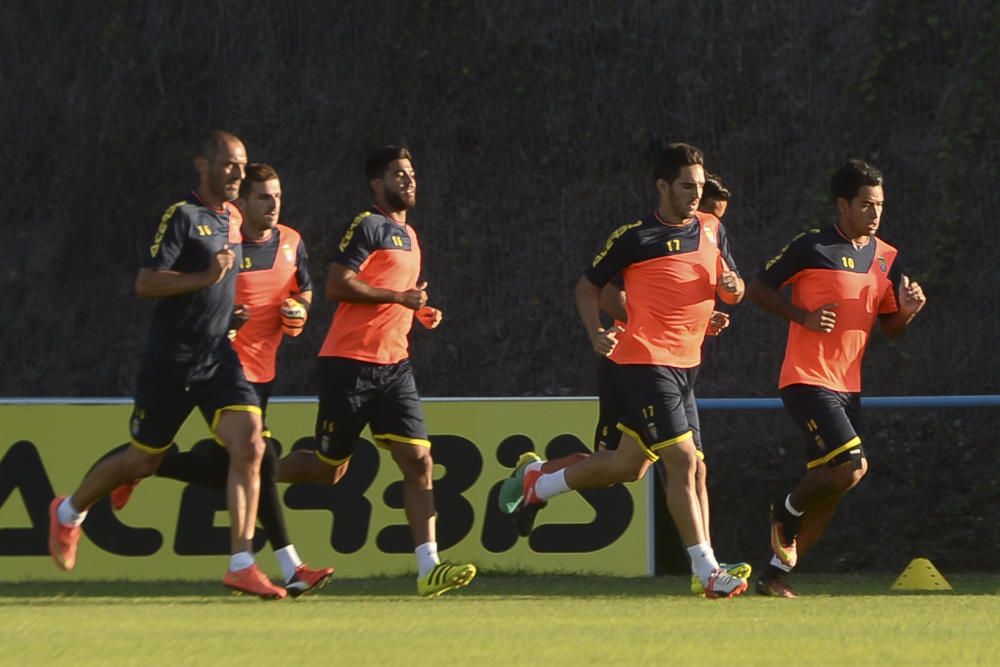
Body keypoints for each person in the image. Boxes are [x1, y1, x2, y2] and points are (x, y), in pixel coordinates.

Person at [47, 131, 285, 598]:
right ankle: (67, 512)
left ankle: (241, 562)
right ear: (204, 165)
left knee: (251, 445)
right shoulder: (182, 216)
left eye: (243, 164)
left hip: (218, 356)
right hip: (172, 361)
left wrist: (228, 308)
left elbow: (220, 283)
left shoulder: (233, 219)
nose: (238, 172)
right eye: (229, 164)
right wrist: (204, 278)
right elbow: (146, 283)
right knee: (144, 457)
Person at [509, 143, 749, 599]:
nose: (695, 194)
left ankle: (539, 484)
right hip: (645, 362)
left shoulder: (712, 228)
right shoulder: (634, 237)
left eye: (699, 186)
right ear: (662, 186)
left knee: (629, 467)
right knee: (682, 462)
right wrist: (595, 333)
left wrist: (732, 293)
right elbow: (589, 288)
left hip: (687, 365)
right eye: (686, 186)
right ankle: (708, 571)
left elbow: (730, 286)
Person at [110, 163, 334, 598]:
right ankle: (289, 566)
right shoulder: (221, 245)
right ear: (241, 203)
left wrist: (300, 311)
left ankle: (143, 467)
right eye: (263, 198)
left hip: (263, 372)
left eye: (278, 197)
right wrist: (223, 319)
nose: (273, 205)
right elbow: (193, 295)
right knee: (262, 459)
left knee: (230, 465)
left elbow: (303, 290)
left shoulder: (291, 242)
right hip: (222, 368)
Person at [276, 145, 476, 597]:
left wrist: (419, 312)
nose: (408, 180)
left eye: (410, 173)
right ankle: (253, 475)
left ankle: (429, 569)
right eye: (397, 174)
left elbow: (398, 293)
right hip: (349, 363)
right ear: (376, 184)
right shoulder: (368, 225)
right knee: (329, 471)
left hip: (394, 365)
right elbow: (336, 283)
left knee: (419, 461)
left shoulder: (411, 234)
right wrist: (398, 299)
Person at [746, 159, 927, 598]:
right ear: (842, 204)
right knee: (852, 467)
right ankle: (785, 510)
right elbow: (758, 288)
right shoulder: (812, 246)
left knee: (830, 491)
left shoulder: (887, 257)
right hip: (807, 379)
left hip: (848, 386)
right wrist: (801, 315)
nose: (875, 212)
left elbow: (890, 328)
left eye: (880, 204)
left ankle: (773, 576)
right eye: (866, 204)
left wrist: (907, 310)